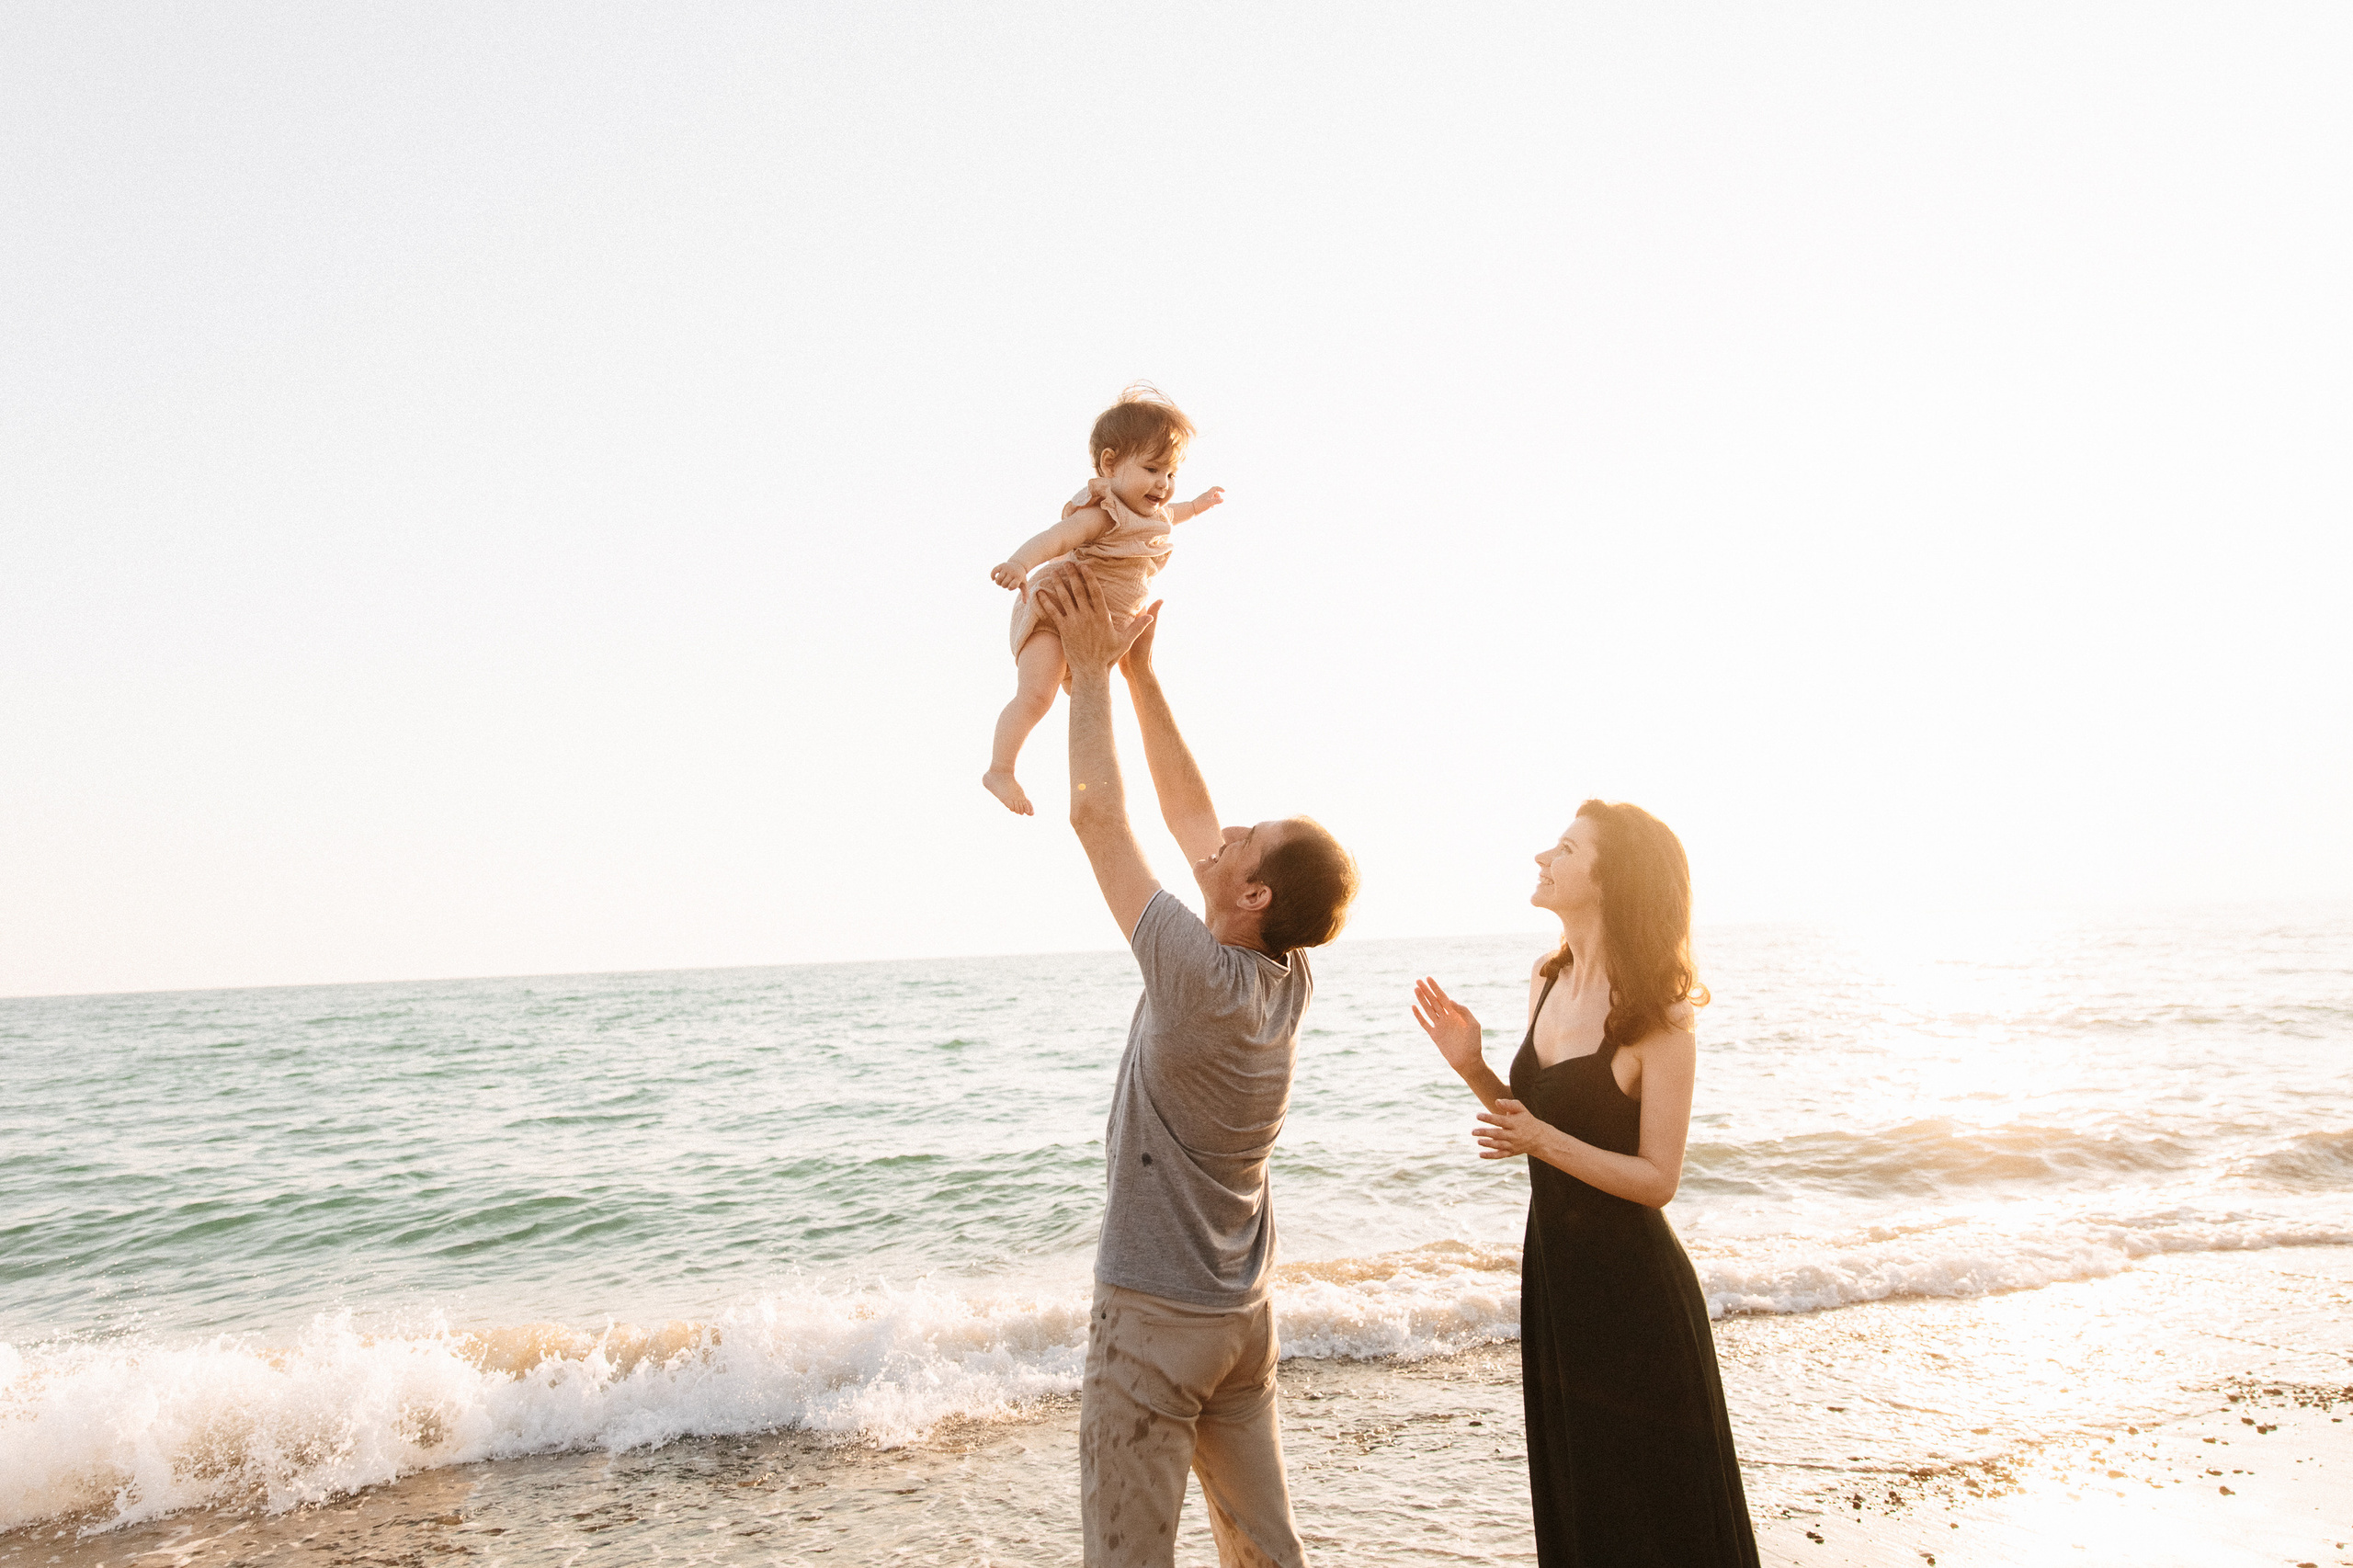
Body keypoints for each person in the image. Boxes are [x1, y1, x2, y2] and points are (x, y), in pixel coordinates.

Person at [1029, 562, 1357, 1568]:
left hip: (1154, 1321)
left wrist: (1086, 672)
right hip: (1236, 1321)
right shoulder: (1284, 975)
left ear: (1254, 894)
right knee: (1265, 1551)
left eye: (1248, 839)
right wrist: (1141, 677)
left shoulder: (1197, 975)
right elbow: (1191, 818)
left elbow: (1100, 821)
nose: (1227, 832)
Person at [1412, 802, 1759, 1567]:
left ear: (1611, 880)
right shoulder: (1546, 977)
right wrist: (1471, 1065)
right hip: (1557, 1279)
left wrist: (1539, 1137)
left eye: (1566, 848)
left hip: (1636, 1294)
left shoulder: (1660, 1017)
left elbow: (1656, 1178)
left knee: (1654, 1511)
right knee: (1580, 1496)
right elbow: (1531, 1122)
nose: (1544, 855)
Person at [983, 384, 1224, 816]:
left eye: (1171, 474)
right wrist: (1019, 563)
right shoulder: (1103, 513)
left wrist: (1201, 505)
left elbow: (1177, 511)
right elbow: (1056, 539)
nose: (1164, 485)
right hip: (1057, 611)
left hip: (1099, 626)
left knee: (1092, 704)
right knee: (1037, 695)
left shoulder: (1157, 514)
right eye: (1152, 469)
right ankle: (1001, 768)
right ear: (1110, 464)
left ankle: (1100, 792)